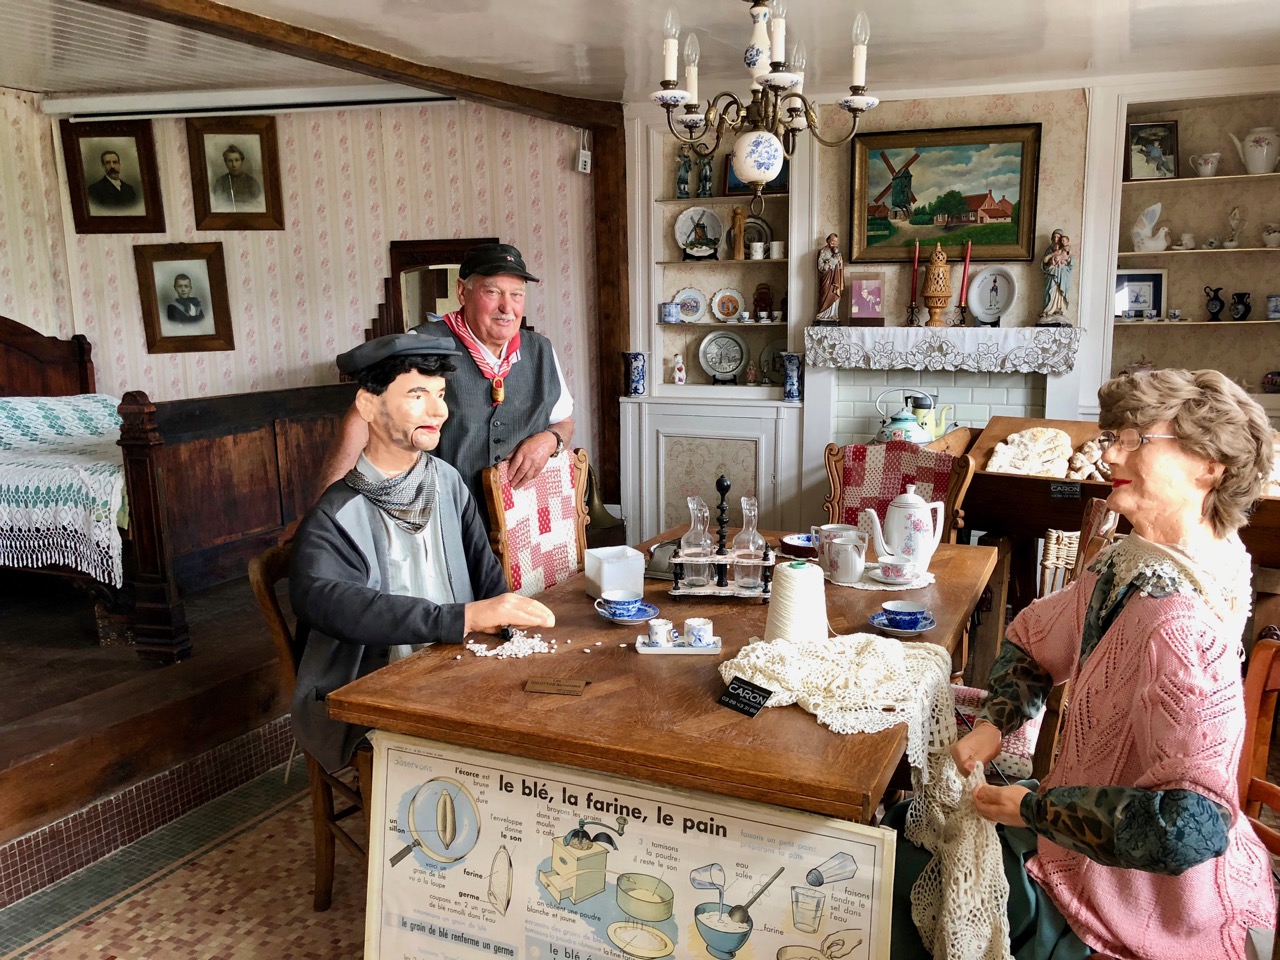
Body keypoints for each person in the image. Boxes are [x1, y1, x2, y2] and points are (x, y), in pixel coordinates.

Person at [888, 368, 1277, 959]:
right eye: (1113, 437)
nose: (1109, 454)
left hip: (1142, 897)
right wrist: (995, 725)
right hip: (1073, 826)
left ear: (1210, 466)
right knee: (905, 835)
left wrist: (1034, 810)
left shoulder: (1186, 630)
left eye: (1135, 439)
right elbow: (1033, 641)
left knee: (894, 873)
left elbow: (1190, 826)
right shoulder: (1133, 562)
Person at [290, 331, 555, 772]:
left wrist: (505, 621)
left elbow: (485, 573)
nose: (438, 411)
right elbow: (330, 604)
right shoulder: (336, 514)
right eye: (417, 395)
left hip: (456, 667)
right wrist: (462, 618)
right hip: (374, 697)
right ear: (368, 405)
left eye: (441, 394)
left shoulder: (447, 482)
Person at [318, 243, 575, 527]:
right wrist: (323, 512)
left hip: (524, 520)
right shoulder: (422, 345)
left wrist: (551, 440)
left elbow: (564, 423)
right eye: (492, 292)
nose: (507, 307)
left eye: (517, 294)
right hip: (441, 516)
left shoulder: (541, 349)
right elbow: (361, 421)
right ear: (462, 292)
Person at [211, 144, 262, 211]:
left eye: (237, 160)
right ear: (225, 163)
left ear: (242, 162)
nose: (234, 165)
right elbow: (216, 203)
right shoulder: (220, 182)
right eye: (230, 161)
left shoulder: (251, 182)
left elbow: (258, 205)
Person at [1039, 229, 1073, 319]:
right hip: (1051, 274)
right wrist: (1050, 259)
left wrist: (1066, 260)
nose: (1056, 239)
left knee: (1060, 290)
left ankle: (1059, 309)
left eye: (1058, 237)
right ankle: (1048, 310)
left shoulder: (1066, 249)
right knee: (1050, 289)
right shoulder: (1049, 249)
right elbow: (1043, 262)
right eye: (1054, 237)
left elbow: (1070, 262)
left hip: (1061, 275)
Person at [816, 233, 844, 321]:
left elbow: (840, 266)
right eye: (832, 240)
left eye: (835, 241)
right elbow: (820, 266)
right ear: (828, 240)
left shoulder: (838, 252)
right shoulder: (823, 251)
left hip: (835, 277)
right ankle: (822, 314)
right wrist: (828, 264)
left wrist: (839, 262)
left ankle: (833, 314)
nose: (833, 242)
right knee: (825, 293)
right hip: (826, 276)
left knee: (834, 293)